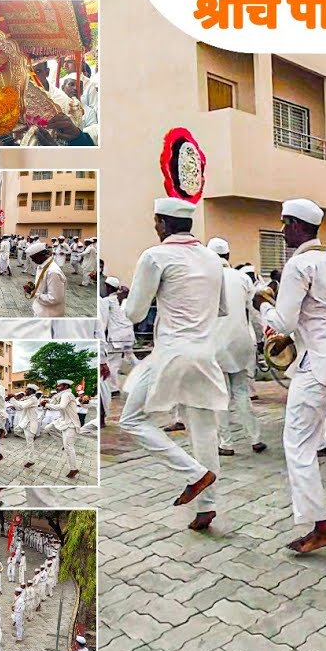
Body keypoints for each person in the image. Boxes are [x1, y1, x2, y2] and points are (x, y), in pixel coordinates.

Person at [256, 199, 326, 553]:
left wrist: (262, 306)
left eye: (285, 223)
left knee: (298, 444)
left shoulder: (299, 264)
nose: (283, 230)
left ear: (299, 226)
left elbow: (282, 322)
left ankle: (319, 524)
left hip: (317, 363)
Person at [119, 198, 228, 531]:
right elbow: (222, 309)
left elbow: (134, 313)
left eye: (155, 222)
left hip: (171, 353)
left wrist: (128, 300)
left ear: (162, 223)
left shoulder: (155, 256)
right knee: (205, 432)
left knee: (131, 419)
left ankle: (195, 475)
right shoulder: (213, 259)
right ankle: (207, 507)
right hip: (205, 354)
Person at [207, 238, 266, 456]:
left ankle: (226, 443)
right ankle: (255, 437)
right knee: (241, 392)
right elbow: (254, 311)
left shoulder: (206, 279)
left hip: (216, 343)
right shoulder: (243, 278)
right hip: (241, 341)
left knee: (221, 395)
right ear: (228, 256)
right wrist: (261, 338)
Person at [43, 380, 82, 479]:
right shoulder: (61, 395)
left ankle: (73, 469)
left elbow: (61, 406)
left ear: (65, 386)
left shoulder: (67, 394)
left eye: (59, 386)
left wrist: (47, 405)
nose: (57, 387)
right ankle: (63, 444)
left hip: (71, 423)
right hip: (62, 421)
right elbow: (53, 404)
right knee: (48, 428)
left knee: (69, 447)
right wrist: (46, 403)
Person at [25, 242, 68, 317]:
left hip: (49, 314)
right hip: (41, 310)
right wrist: (33, 288)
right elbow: (43, 287)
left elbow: (54, 299)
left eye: (33, 258)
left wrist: (33, 293)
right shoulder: (42, 266)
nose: (32, 261)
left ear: (41, 254)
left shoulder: (53, 272)